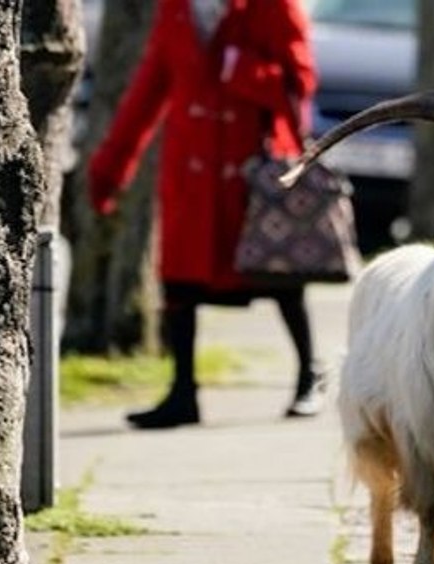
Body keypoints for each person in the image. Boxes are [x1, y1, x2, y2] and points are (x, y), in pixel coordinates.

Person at [87, 0, 322, 428]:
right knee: (180, 284)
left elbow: (299, 86)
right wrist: (110, 167)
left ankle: (309, 376)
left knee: (279, 277)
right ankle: (182, 393)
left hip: (249, 171)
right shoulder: (174, 8)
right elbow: (149, 87)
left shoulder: (272, 7)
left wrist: (244, 70)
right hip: (190, 172)